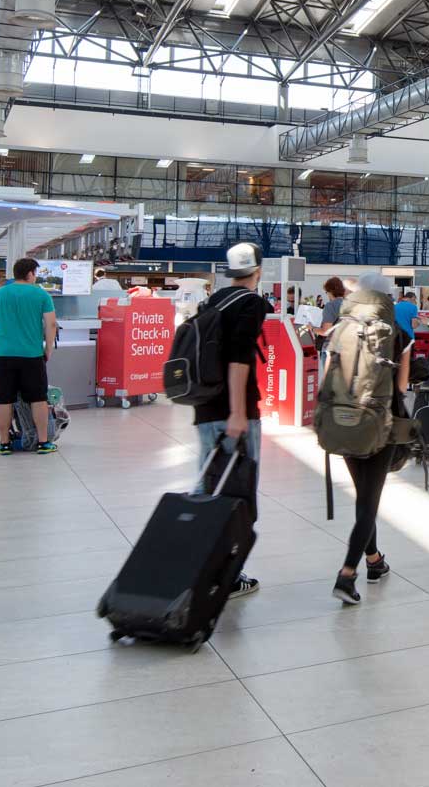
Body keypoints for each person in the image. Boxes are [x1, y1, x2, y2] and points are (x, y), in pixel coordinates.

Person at [193, 243, 271, 598]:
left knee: (208, 488)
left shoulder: (216, 299)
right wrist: (239, 412)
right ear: (258, 270)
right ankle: (224, 574)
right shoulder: (251, 303)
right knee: (237, 492)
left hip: (205, 408)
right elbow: (240, 360)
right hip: (232, 410)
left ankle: (197, 566)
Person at [333, 273, 411, 605]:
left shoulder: (340, 329)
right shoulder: (398, 334)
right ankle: (347, 574)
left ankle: (374, 560)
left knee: (362, 497)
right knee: (369, 502)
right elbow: (403, 387)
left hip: (343, 419)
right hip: (382, 422)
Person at [0, 258, 58, 455]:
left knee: (4, 400)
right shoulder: (41, 294)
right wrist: (48, 348)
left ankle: (4, 444)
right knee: (38, 399)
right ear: (30, 273)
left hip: (3, 354)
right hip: (31, 355)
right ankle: (43, 442)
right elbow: (51, 324)